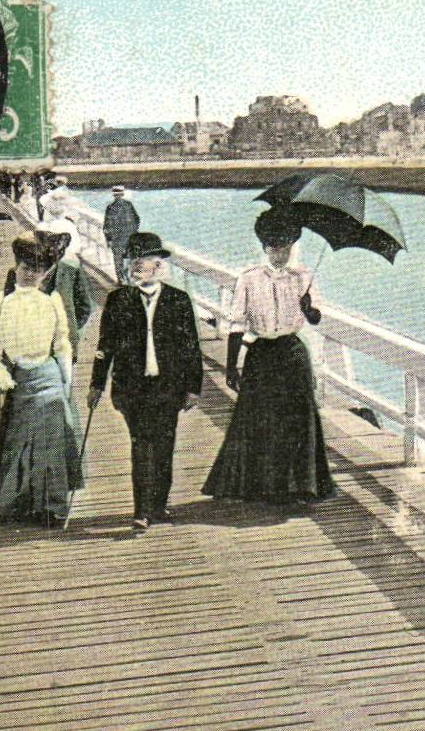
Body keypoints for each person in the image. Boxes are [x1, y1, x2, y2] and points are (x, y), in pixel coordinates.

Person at [201, 208, 334, 505]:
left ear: (292, 246)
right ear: (264, 247)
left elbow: (314, 319)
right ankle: (258, 486)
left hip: (292, 352)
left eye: (286, 246)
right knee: (257, 418)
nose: (280, 253)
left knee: (298, 420)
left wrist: (309, 306)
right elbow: (237, 323)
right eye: (274, 247)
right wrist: (232, 365)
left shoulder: (304, 277)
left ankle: (300, 487)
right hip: (261, 353)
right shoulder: (249, 278)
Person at [88, 233, 204, 529]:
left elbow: (191, 347)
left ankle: (159, 505)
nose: (136, 264)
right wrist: (96, 384)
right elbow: (105, 345)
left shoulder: (179, 300)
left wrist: (194, 388)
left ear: (158, 264)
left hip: (168, 387)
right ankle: (141, 510)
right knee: (141, 446)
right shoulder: (118, 300)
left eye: (144, 259)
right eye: (132, 259)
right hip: (132, 388)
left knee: (164, 446)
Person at [0, 233, 83, 527]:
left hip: (48, 376)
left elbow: (62, 342)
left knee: (51, 442)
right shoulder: (0, 301)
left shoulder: (52, 300)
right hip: (15, 378)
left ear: (45, 274)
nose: (29, 275)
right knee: (17, 443)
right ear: (16, 267)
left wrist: (66, 381)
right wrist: (0, 374)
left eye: (36, 271)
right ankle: (14, 504)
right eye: (25, 268)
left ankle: (51, 507)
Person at [36, 228, 95, 362]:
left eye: (54, 249)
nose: (51, 252)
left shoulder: (72, 272)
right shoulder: (27, 274)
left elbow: (86, 307)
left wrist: (72, 326)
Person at [103, 186, 141, 284]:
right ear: (122, 194)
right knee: (130, 259)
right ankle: (130, 279)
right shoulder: (129, 205)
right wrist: (134, 231)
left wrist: (109, 239)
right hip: (129, 236)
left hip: (116, 239)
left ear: (114, 195)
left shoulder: (110, 208)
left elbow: (106, 226)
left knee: (118, 260)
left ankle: (121, 280)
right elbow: (137, 219)